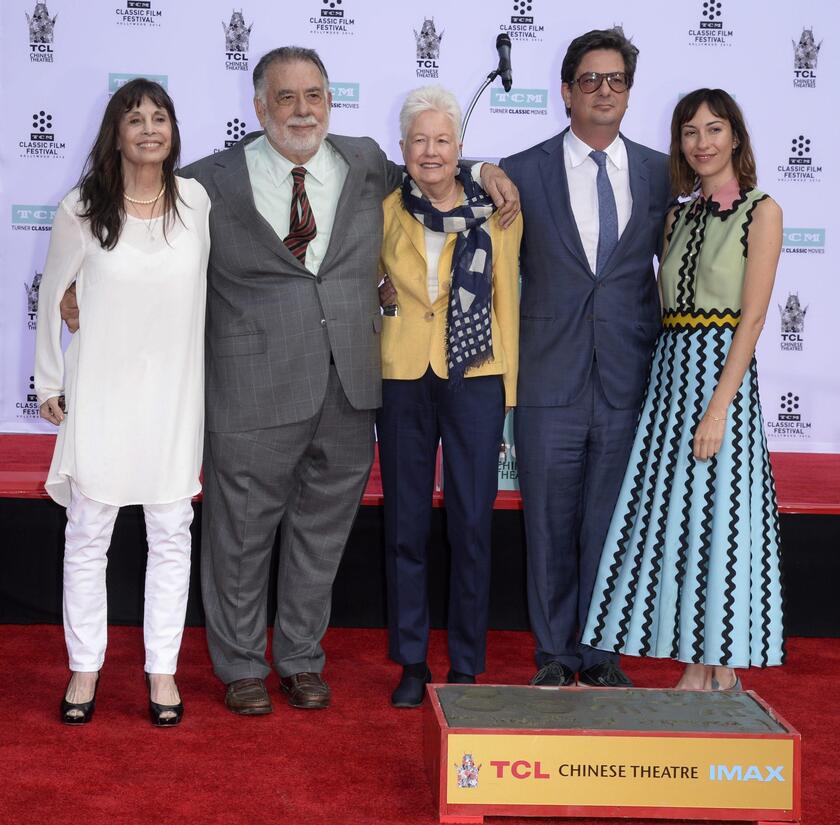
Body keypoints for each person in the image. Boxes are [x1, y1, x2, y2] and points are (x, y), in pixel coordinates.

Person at [58, 48, 514, 716]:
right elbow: (137, 241)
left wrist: (484, 167)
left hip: (350, 389)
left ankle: (300, 657)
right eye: (286, 97)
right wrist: (81, 294)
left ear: (331, 100)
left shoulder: (364, 164)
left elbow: (430, 170)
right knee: (239, 538)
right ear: (259, 106)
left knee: (321, 536)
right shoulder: (206, 183)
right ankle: (241, 664)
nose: (301, 110)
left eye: (314, 96)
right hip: (249, 391)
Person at [582, 89, 784, 690]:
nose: (702, 142)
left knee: (720, 518)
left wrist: (719, 406)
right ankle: (706, 668)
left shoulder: (762, 210)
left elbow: (751, 319)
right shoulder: (677, 215)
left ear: (737, 139)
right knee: (679, 523)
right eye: (690, 132)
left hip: (722, 378)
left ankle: (715, 668)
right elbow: (666, 308)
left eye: (714, 129)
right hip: (671, 380)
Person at [498, 28, 671, 688]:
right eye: (589, 80)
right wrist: (476, 167)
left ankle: (601, 654)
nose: (603, 91)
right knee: (547, 522)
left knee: (611, 522)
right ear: (566, 91)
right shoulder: (520, 168)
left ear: (629, 91)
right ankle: (554, 655)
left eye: (616, 80)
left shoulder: (660, 172)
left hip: (629, 378)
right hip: (548, 376)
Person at [35, 79, 210, 726]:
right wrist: (49, 382)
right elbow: (55, 296)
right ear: (116, 132)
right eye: (134, 118)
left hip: (173, 395)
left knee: (172, 532)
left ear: (173, 130)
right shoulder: (81, 207)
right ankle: (86, 665)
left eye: (159, 117)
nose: (148, 128)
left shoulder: (196, 201)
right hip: (102, 390)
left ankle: (161, 670)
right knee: (88, 535)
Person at [377, 86, 522, 707]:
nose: (430, 152)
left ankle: (465, 664)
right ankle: (411, 661)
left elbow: (507, 302)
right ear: (403, 149)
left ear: (461, 149)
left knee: (471, 524)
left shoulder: (499, 211)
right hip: (404, 377)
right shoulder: (384, 209)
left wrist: (508, 389)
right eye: (419, 141)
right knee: (406, 526)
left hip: (477, 376)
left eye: (442, 141)